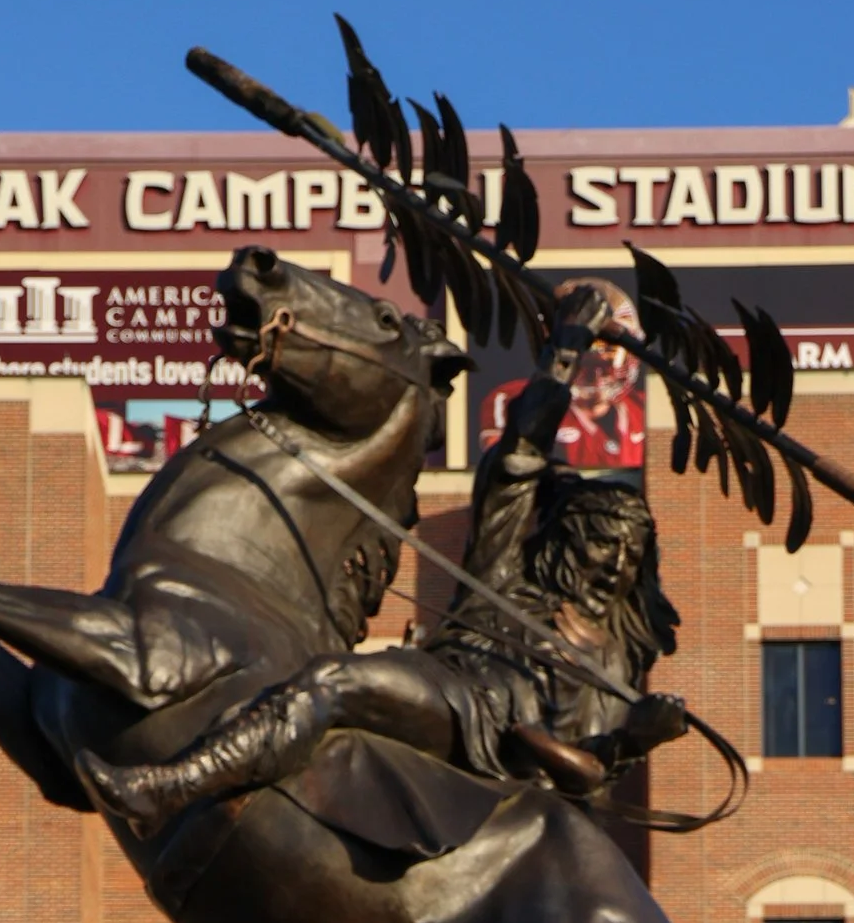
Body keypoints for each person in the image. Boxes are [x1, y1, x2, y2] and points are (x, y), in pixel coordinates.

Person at [83, 285, 687, 839]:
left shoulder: (616, 659)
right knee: (334, 681)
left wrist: (632, 742)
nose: (615, 562)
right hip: (456, 702)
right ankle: (173, 787)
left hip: (517, 789)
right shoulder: (508, 577)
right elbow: (521, 452)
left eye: (630, 553)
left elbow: (589, 773)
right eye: (600, 541)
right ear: (561, 542)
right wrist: (567, 347)